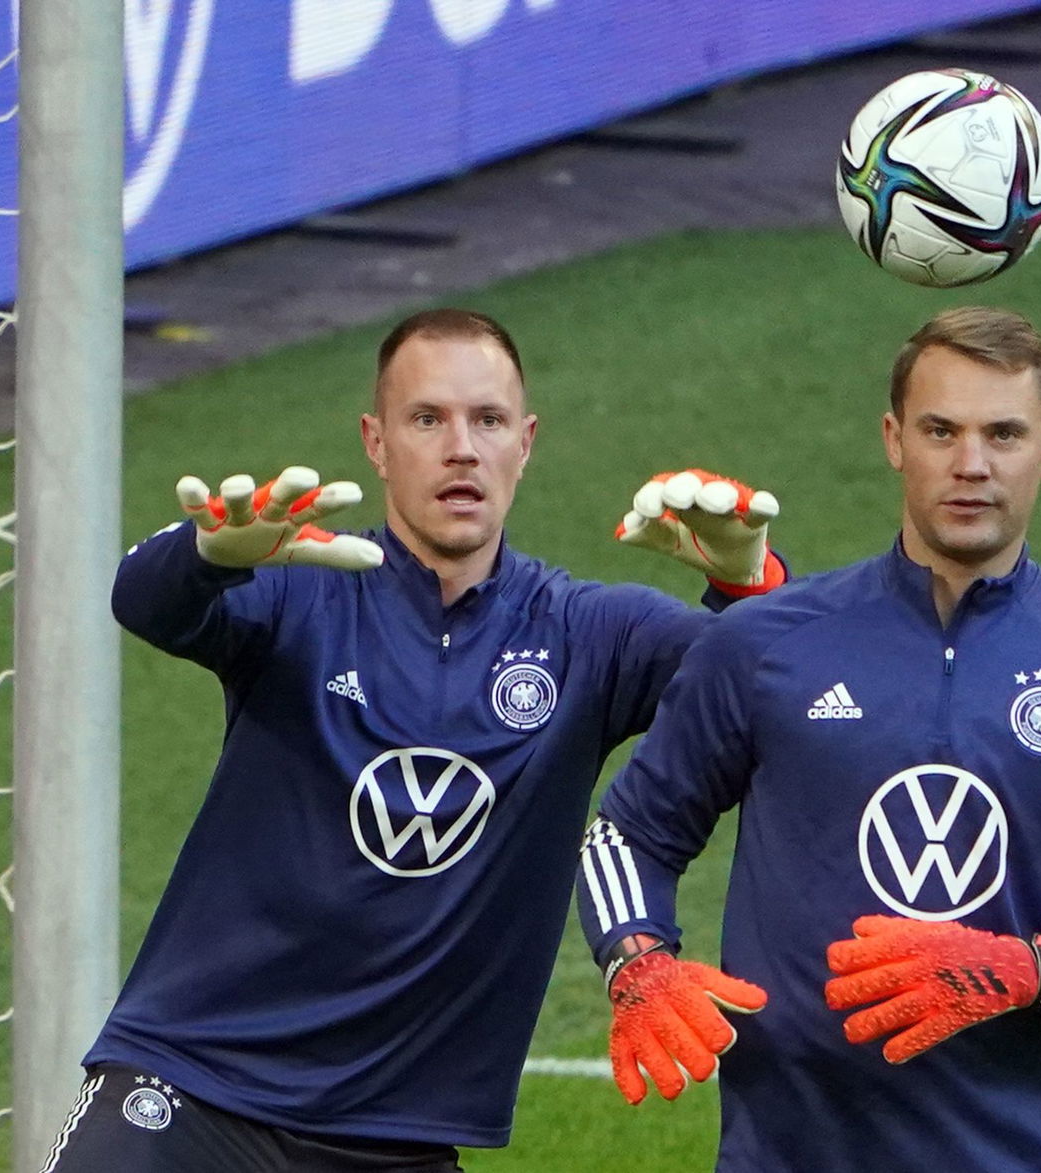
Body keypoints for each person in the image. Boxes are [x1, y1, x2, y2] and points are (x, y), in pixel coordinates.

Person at [42, 308, 785, 1173]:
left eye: (489, 420)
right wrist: (207, 553)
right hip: (194, 1090)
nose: (461, 447)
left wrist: (746, 583)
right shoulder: (301, 590)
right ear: (377, 440)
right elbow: (145, 603)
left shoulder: (591, 634)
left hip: (397, 1140)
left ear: (526, 441)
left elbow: (768, 697)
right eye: (427, 419)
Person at [576, 305, 1041, 1172]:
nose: (972, 464)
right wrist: (638, 965)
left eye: (1005, 434)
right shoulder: (766, 642)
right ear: (893, 438)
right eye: (941, 430)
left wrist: (1027, 969)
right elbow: (629, 835)